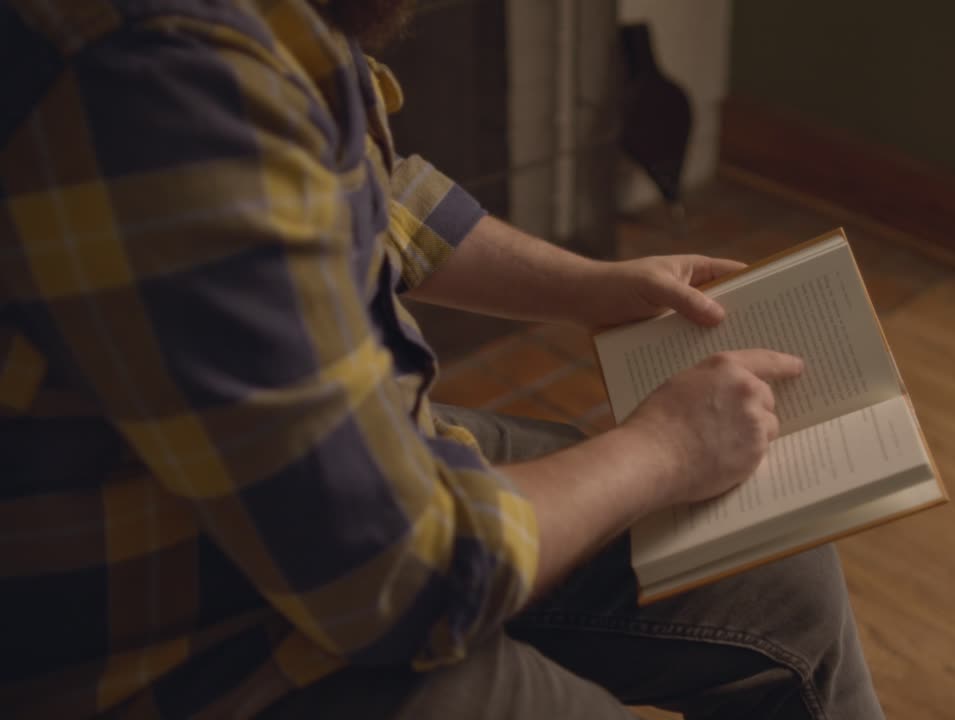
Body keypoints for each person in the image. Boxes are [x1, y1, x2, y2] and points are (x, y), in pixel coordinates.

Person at [0, 1, 884, 717]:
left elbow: (373, 190)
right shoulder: (162, 77)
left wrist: (592, 286)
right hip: (195, 640)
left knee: (784, 585)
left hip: (348, 501)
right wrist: (664, 450)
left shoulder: (267, 34)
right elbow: (398, 574)